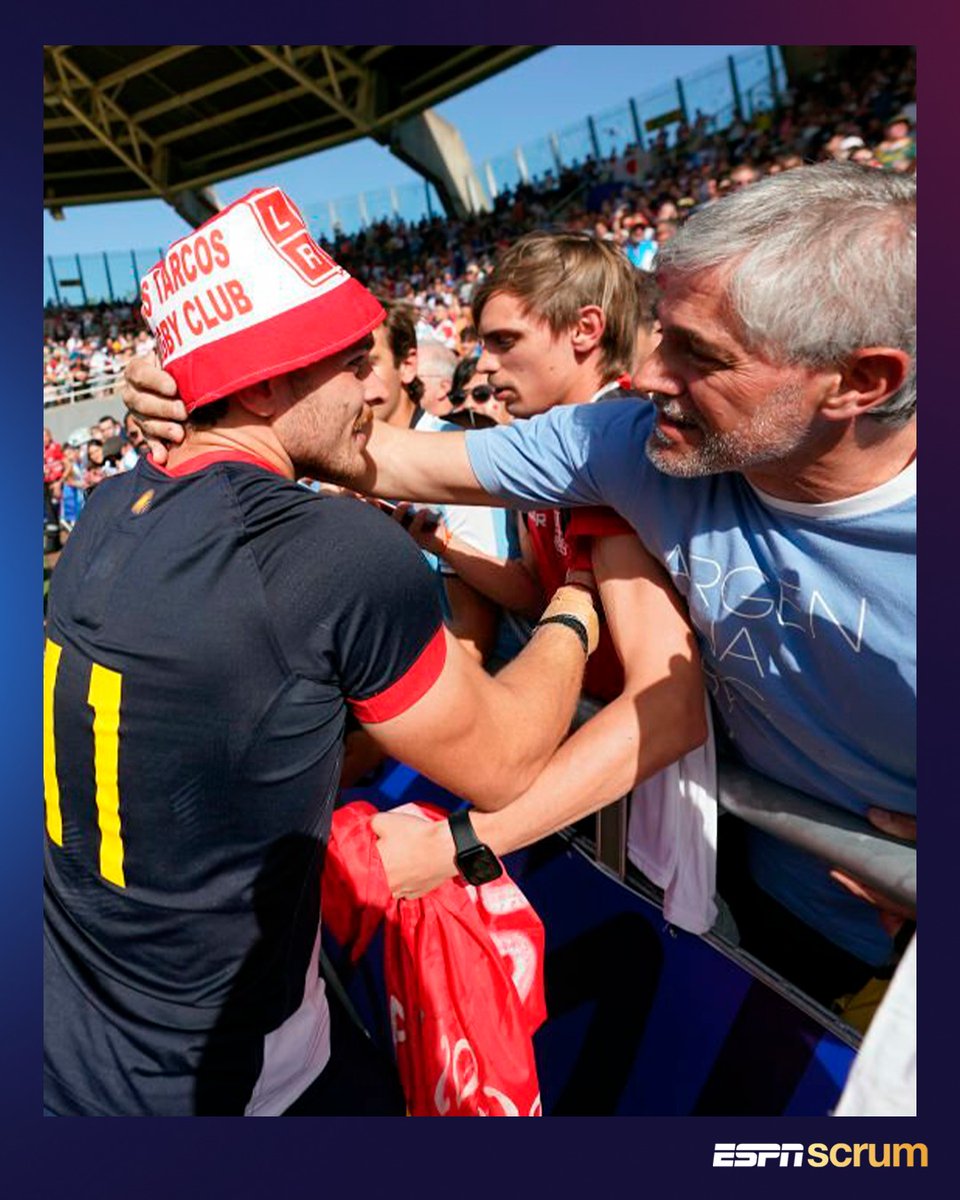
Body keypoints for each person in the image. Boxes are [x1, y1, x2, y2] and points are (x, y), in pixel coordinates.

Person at [125, 164, 916, 1005]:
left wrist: (466, 840)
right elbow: (382, 456)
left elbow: (665, 702)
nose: (647, 374)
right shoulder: (623, 444)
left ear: (860, 382)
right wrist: (211, 398)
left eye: (701, 355)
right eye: (661, 331)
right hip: (764, 886)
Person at [45, 187, 602, 1117]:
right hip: (219, 1075)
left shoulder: (106, 511)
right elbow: (507, 760)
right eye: (346, 363)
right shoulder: (325, 551)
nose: (370, 390)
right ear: (263, 383)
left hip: (78, 1020)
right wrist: (576, 605)